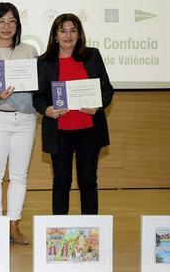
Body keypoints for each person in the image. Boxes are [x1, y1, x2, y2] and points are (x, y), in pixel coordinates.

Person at [34, 14, 115, 215]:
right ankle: (59, 229)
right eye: (63, 30)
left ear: (79, 35)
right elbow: (38, 97)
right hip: (59, 131)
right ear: (55, 35)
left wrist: (97, 105)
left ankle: (90, 229)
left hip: (89, 130)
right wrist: (47, 110)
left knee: (88, 180)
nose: (68, 35)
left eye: (73, 30)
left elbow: (107, 90)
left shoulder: (92, 56)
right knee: (61, 181)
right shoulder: (44, 62)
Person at [0, 2, 39, 244]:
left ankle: (13, 224)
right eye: (1, 21)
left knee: (19, 175)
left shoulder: (30, 51)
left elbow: (39, 88)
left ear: (18, 24)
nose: (6, 27)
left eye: (11, 22)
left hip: (25, 119)